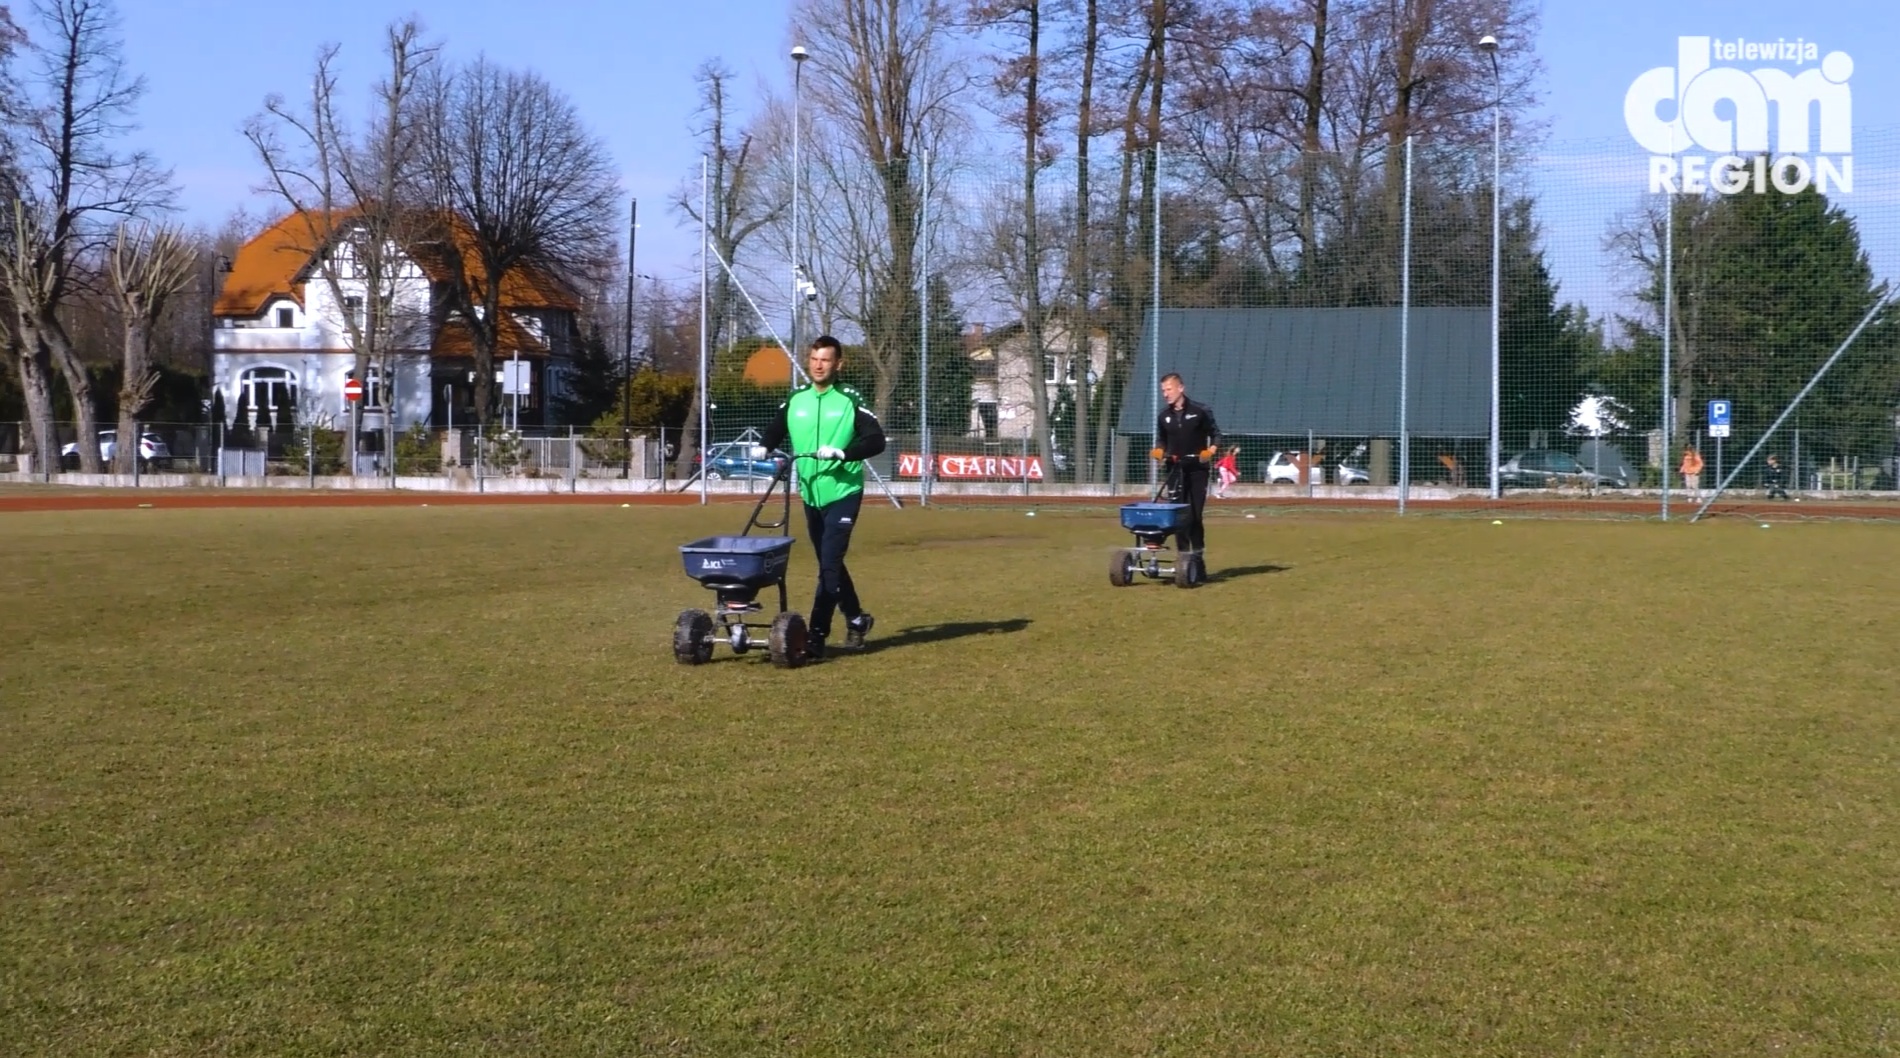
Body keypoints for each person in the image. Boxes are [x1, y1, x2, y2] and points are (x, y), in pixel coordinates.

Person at [755, 335, 886, 659]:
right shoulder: (797, 398)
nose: (818, 365)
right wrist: (765, 445)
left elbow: (876, 440)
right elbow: (776, 427)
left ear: (838, 364)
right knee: (831, 564)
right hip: (810, 494)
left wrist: (843, 453)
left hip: (843, 492)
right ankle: (857, 619)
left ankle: (815, 635)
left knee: (829, 563)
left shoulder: (849, 399)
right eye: (814, 359)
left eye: (825, 360)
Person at [1150, 372, 1221, 563]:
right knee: (1179, 515)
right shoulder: (1163, 416)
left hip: (1197, 470)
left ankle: (1197, 560)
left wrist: (1210, 451)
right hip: (1174, 470)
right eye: (1163, 390)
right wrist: (1159, 450)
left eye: (1169, 389)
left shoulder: (1200, 411)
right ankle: (1183, 560)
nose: (1165, 394)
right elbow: (1161, 439)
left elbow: (1216, 435)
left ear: (1181, 388)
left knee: (1195, 516)